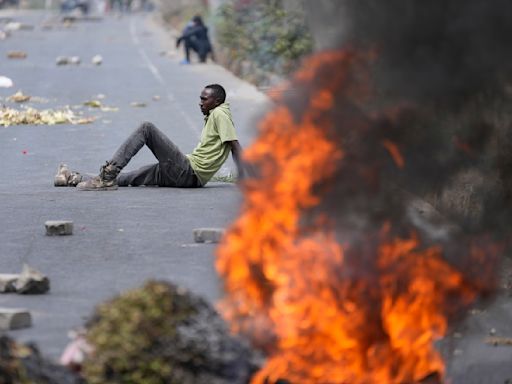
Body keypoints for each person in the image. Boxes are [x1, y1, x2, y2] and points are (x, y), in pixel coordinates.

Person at [54, 84, 246, 190]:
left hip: (188, 172)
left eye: (204, 99)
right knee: (127, 179)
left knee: (147, 129)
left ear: (218, 101)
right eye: (200, 98)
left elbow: (235, 146)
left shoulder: (220, 113)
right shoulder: (215, 114)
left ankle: (107, 175)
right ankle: (73, 177)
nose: (200, 103)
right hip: (185, 172)